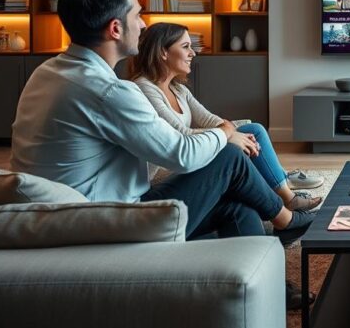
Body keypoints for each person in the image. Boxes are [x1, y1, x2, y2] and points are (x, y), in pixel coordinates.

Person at [10, 0, 315, 309]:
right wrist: (226, 133)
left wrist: (222, 133)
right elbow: (180, 154)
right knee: (228, 158)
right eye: (137, 15)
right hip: (108, 226)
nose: (143, 25)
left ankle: (270, 290)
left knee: (237, 205)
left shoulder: (48, 72)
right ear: (115, 29)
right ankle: (285, 220)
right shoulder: (108, 91)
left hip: (73, 220)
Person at [128, 22, 323, 212]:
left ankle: (283, 190)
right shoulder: (145, 88)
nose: (193, 53)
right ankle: (283, 191)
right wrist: (227, 136)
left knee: (253, 130)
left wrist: (229, 131)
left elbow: (210, 119)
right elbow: (180, 134)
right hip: (166, 171)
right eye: (186, 47)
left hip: (188, 156)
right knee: (235, 145)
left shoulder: (178, 89)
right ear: (163, 52)